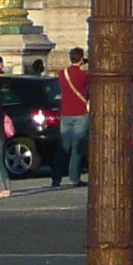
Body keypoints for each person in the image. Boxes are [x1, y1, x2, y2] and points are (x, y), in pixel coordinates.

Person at [53, 48, 91, 188]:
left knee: (63, 147)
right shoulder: (84, 75)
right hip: (80, 112)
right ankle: (74, 178)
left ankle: (56, 178)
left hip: (66, 113)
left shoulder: (62, 74)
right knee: (77, 147)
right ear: (81, 58)